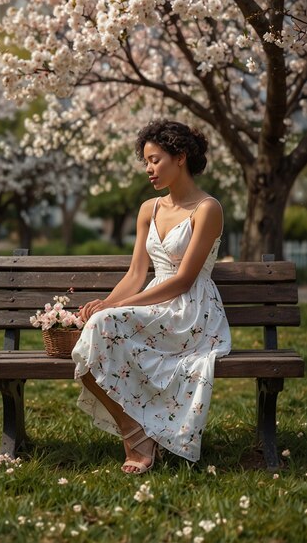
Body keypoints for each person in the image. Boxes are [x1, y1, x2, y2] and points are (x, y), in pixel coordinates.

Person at [72, 119, 231, 474]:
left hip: (190, 310)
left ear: (181, 156)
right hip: (151, 301)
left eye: (155, 159)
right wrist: (106, 303)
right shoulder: (149, 208)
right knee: (92, 335)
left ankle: (144, 437)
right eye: (146, 161)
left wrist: (118, 307)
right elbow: (135, 275)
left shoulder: (207, 209)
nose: (148, 169)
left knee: (102, 327)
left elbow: (184, 280)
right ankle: (135, 432)